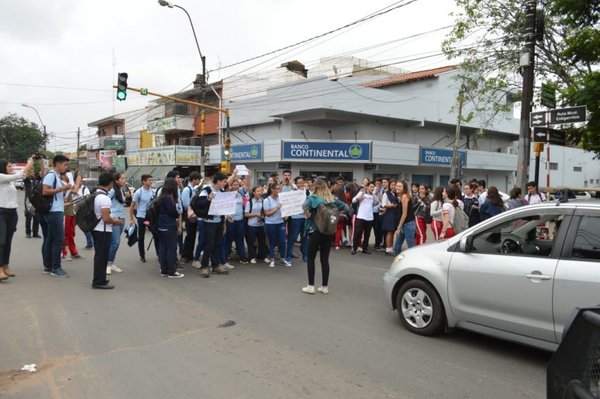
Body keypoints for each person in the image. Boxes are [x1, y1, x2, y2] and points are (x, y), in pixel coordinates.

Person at [301, 178, 349, 294]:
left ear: (315, 187)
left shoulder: (312, 198)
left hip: (315, 230)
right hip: (329, 231)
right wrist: (336, 216)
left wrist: (309, 215)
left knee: (311, 259)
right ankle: (324, 286)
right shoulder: (332, 198)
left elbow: (304, 207)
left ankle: (311, 286)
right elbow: (346, 208)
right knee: (324, 259)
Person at [0, 157, 33, 280]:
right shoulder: (1, 177)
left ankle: (5, 265)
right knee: (1, 241)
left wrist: (32, 168)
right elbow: (21, 173)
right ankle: (0, 268)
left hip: (12, 212)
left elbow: (24, 175)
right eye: (9, 166)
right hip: (1, 212)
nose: (11, 168)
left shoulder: (10, 181)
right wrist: (29, 163)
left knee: (8, 241)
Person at [40, 155, 72, 277]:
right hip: (53, 212)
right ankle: (56, 267)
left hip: (56, 210)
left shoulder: (57, 176)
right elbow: (45, 191)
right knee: (58, 239)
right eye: (65, 164)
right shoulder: (51, 175)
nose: (66, 167)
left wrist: (63, 190)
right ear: (58, 164)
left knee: (51, 239)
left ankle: (48, 266)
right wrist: (61, 189)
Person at [91, 172, 122, 289]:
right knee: (101, 256)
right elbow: (106, 218)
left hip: (97, 229)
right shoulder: (105, 198)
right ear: (111, 183)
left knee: (100, 255)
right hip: (103, 230)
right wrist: (116, 221)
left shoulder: (97, 194)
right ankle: (99, 281)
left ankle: (101, 279)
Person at [197, 173, 230, 278]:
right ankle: (204, 266)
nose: (225, 183)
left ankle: (216, 265)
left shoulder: (222, 191)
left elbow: (223, 208)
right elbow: (200, 204)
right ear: (219, 181)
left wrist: (224, 223)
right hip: (208, 222)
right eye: (224, 181)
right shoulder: (206, 190)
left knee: (217, 244)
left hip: (219, 221)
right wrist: (208, 199)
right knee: (209, 244)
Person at [157, 178, 184, 278]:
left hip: (161, 225)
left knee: (163, 248)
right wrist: (177, 214)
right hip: (169, 224)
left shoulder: (161, 197)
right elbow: (172, 212)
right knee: (171, 248)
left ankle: (164, 270)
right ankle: (171, 271)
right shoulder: (169, 198)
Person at [129, 174, 155, 263]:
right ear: (143, 182)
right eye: (149, 180)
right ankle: (142, 255)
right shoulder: (139, 192)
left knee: (155, 233)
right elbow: (132, 206)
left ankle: (159, 254)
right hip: (142, 217)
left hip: (150, 217)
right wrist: (131, 219)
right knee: (141, 236)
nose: (151, 182)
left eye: (152, 180)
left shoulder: (153, 191)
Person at [263, 182, 288, 267]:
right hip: (270, 224)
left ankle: (283, 259)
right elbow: (267, 213)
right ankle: (272, 259)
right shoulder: (267, 200)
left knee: (282, 241)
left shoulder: (281, 198)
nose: (279, 190)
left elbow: (284, 210)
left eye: (279, 189)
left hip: (280, 223)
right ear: (272, 189)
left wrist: (285, 215)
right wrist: (276, 208)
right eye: (277, 189)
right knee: (272, 242)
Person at [107, 172, 127, 274]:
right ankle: (108, 264)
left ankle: (111, 262)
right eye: (122, 179)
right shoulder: (112, 191)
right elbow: (106, 201)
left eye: (124, 178)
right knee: (115, 242)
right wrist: (110, 215)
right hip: (114, 218)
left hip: (122, 218)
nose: (124, 180)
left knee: (114, 242)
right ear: (116, 180)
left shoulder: (121, 190)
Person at [351, 181, 378, 255]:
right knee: (357, 233)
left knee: (367, 234)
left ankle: (365, 248)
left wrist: (375, 203)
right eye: (371, 187)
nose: (372, 188)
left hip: (369, 217)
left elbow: (377, 202)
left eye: (373, 187)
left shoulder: (373, 195)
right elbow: (353, 200)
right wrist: (359, 198)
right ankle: (354, 248)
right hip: (361, 216)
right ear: (367, 187)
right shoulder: (362, 193)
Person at [61, 171, 84, 261]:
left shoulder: (67, 183)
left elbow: (74, 189)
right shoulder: (62, 183)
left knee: (71, 233)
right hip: (64, 211)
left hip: (70, 210)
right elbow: (75, 191)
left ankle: (73, 251)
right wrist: (78, 181)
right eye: (66, 174)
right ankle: (63, 252)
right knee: (64, 233)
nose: (68, 176)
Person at [286, 176, 308, 263]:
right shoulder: (293, 192)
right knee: (293, 237)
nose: (300, 184)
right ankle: (288, 255)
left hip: (305, 218)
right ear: (296, 184)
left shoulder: (307, 192)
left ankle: (305, 255)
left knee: (305, 237)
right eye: (298, 183)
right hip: (295, 218)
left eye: (302, 182)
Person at [181, 171, 201, 263]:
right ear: (194, 179)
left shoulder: (194, 189)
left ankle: (190, 254)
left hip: (194, 215)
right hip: (189, 215)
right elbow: (185, 204)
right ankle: (185, 254)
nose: (199, 181)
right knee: (189, 236)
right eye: (198, 179)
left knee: (192, 236)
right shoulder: (187, 190)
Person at [244, 186, 267, 264]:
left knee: (262, 241)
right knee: (251, 242)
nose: (259, 193)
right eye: (257, 191)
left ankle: (262, 256)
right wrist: (256, 214)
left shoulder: (263, 201)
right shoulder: (249, 202)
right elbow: (246, 214)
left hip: (261, 224)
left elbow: (264, 212)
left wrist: (262, 217)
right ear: (253, 192)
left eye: (260, 191)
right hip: (251, 225)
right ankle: (252, 257)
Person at [393, 180, 416, 255]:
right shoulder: (401, 196)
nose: (397, 187)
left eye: (400, 186)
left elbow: (404, 214)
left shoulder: (404, 196)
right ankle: (398, 262)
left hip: (407, 224)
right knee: (397, 247)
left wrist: (399, 227)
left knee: (411, 245)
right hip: (404, 224)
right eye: (397, 186)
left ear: (404, 188)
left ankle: (415, 262)